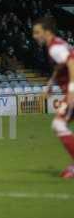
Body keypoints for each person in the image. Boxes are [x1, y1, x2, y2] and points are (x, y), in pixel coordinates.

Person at [32, 17, 74, 178]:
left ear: (47, 32)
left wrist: (71, 91)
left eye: (37, 32)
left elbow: (71, 62)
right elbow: (61, 65)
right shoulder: (58, 43)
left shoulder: (54, 48)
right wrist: (50, 84)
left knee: (59, 124)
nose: (35, 36)